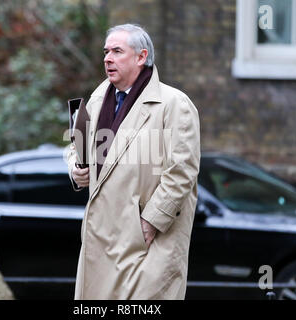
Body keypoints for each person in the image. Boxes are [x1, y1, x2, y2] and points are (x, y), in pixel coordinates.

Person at [67, 23, 200, 299]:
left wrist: (151, 222)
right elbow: (76, 147)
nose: (107, 58)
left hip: (147, 242)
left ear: (141, 57)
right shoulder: (96, 99)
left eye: (117, 51)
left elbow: (182, 171)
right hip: (102, 239)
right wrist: (75, 170)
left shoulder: (175, 104)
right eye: (106, 51)